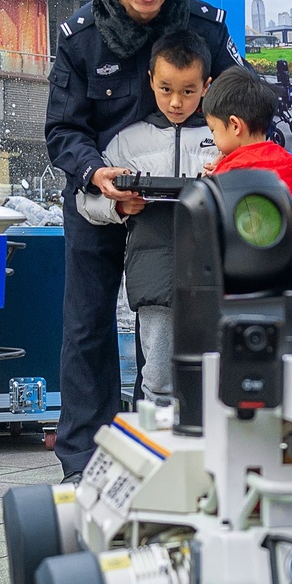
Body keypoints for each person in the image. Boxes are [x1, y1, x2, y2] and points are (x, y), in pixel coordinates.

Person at [45, 0, 249, 482]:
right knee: (87, 326)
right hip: (103, 200)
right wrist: (96, 174)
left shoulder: (207, 29)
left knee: (175, 331)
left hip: (184, 217)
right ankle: (84, 462)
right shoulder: (81, 36)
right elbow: (63, 130)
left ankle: (175, 456)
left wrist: (228, 156)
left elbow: (247, 106)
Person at [73, 31, 217, 405]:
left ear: (206, 86)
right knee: (158, 378)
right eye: (166, 89)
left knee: (216, 372)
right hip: (153, 274)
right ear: (150, 81)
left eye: (188, 91)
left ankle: (212, 439)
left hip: (216, 276)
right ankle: (156, 439)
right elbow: (85, 200)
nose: (176, 101)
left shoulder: (221, 137)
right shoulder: (128, 140)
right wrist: (119, 207)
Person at [203, 66, 292, 280]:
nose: (214, 139)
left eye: (213, 130)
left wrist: (211, 184)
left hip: (251, 272)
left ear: (235, 125)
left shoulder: (229, 175)